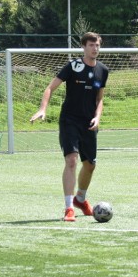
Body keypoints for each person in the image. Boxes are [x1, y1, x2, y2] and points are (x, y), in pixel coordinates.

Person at [30, 32, 109, 222]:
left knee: (90, 165)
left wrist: (98, 117)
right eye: (91, 45)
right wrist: (43, 109)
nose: (95, 48)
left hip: (89, 123)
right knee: (72, 160)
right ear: (83, 47)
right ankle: (68, 208)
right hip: (69, 121)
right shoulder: (73, 66)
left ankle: (80, 199)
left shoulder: (103, 70)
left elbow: (100, 99)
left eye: (97, 45)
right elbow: (50, 88)